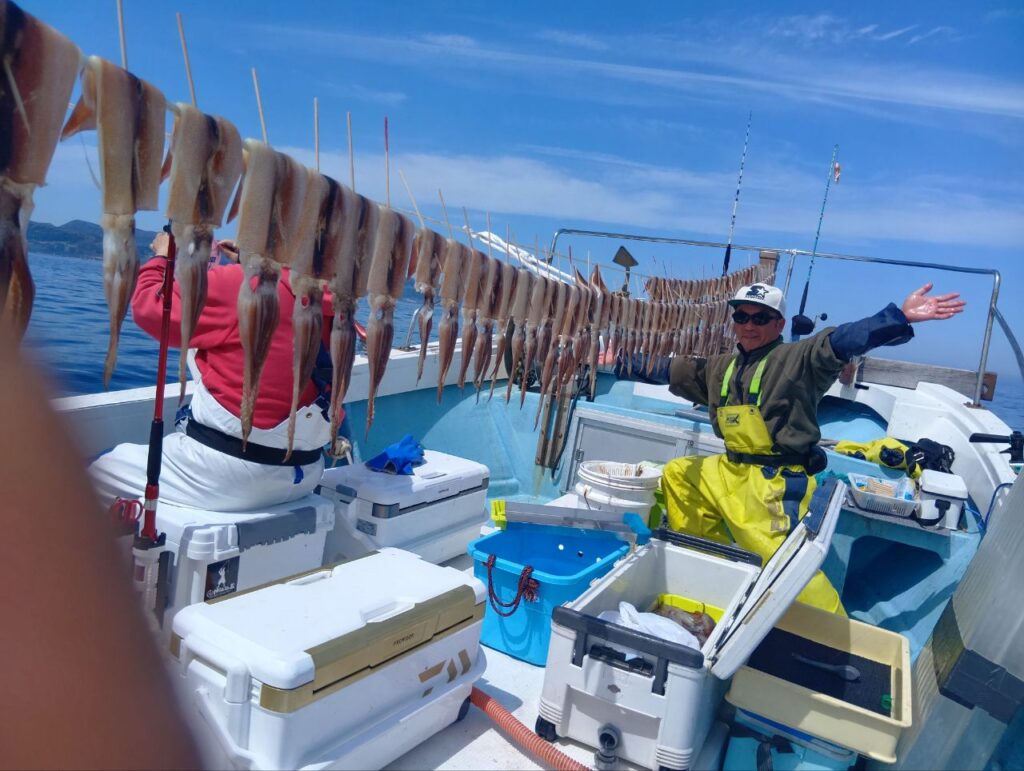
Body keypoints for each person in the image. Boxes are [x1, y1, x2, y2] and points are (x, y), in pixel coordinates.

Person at [623, 281, 965, 614]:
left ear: (779, 324)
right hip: (729, 467)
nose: (749, 326)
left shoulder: (799, 359)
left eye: (760, 318)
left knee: (784, 564)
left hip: (773, 480)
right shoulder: (722, 367)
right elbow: (672, 370)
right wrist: (619, 361)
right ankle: (710, 567)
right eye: (741, 317)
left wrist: (899, 317)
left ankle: (830, 632)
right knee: (679, 474)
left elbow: (841, 340)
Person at [89, 231, 339, 512]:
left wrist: (163, 257)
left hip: (224, 474)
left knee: (94, 470)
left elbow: (152, 308)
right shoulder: (336, 302)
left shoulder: (242, 284)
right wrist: (251, 260)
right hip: (303, 475)